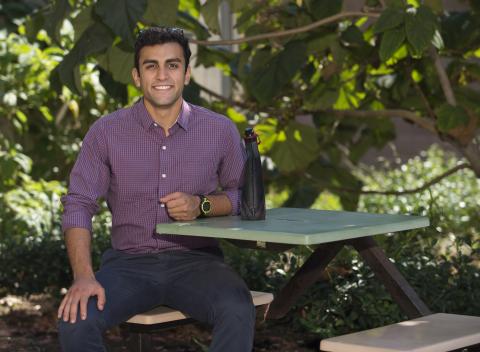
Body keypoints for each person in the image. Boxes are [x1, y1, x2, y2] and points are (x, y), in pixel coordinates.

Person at [57, 26, 255, 352]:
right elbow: (78, 203)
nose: (162, 75)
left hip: (198, 263)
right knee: (76, 320)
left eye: (172, 65)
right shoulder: (105, 132)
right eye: (151, 65)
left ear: (187, 74)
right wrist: (83, 276)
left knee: (237, 309)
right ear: (136, 76)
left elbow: (246, 198)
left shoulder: (219, 130)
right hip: (127, 264)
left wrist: (202, 205)